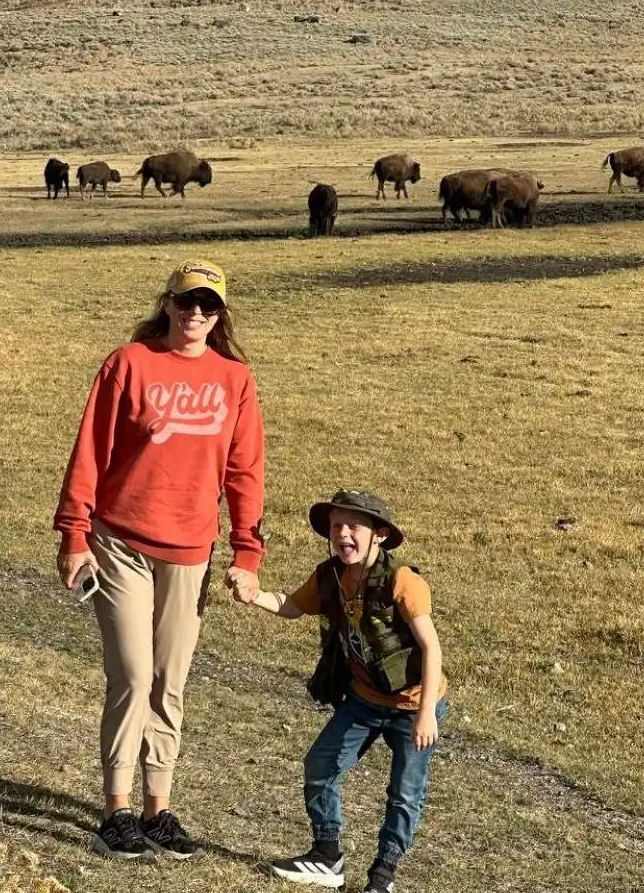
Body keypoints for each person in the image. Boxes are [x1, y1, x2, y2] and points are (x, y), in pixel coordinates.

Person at [54, 258, 265, 863]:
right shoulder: (129, 363)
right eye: (187, 301)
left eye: (209, 305)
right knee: (133, 675)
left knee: (170, 682)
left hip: (191, 551)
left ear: (220, 314)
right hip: (119, 541)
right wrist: (74, 535)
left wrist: (246, 550)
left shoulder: (235, 380)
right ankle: (115, 810)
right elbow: (89, 450)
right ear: (167, 303)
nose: (197, 313)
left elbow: (244, 470)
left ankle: (157, 809)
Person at [232, 488, 447, 893]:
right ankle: (326, 858)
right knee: (320, 765)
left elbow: (431, 648)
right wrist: (253, 595)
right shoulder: (329, 576)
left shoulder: (403, 581)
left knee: (405, 793)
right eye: (335, 527)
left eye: (354, 526)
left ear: (379, 534)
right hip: (364, 700)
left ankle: (383, 876)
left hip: (415, 703)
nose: (342, 534)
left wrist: (425, 716)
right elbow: (292, 605)